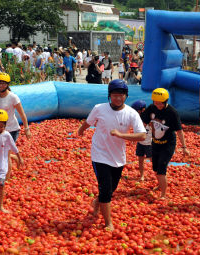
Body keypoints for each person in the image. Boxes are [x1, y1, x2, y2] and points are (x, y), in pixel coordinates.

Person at [77, 79, 146, 230]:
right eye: (114, 95)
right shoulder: (99, 108)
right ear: (109, 95)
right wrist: (81, 130)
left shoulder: (131, 113)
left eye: (121, 95)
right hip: (99, 154)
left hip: (118, 157)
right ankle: (108, 223)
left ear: (126, 96)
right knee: (106, 188)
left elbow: (142, 136)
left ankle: (98, 201)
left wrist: (121, 135)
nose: (118, 98)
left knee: (111, 188)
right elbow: (88, 122)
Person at [142, 88, 190, 198]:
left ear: (165, 101)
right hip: (155, 143)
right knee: (155, 168)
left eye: (160, 103)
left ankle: (163, 194)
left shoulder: (172, 112)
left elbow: (179, 130)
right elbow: (143, 122)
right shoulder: (151, 108)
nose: (157, 105)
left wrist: (184, 147)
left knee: (161, 168)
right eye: (155, 102)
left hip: (168, 144)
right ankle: (160, 185)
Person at [131, 100, 152, 181]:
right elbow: (137, 130)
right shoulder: (137, 119)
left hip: (149, 143)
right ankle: (142, 176)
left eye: (137, 110)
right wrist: (134, 138)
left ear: (143, 110)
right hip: (140, 143)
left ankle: (159, 176)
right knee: (140, 160)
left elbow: (154, 130)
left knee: (152, 160)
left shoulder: (149, 119)